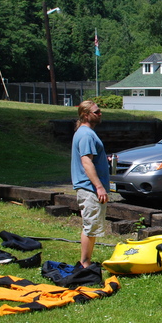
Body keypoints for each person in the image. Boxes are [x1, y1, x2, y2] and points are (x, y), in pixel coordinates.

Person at [71, 100, 110, 268]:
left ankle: (86, 261)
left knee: (91, 226)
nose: (100, 114)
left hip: (88, 187)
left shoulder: (85, 133)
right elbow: (86, 162)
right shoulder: (86, 134)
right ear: (86, 115)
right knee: (90, 227)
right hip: (89, 188)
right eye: (97, 112)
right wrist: (99, 187)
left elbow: (91, 158)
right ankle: (85, 264)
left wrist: (104, 160)